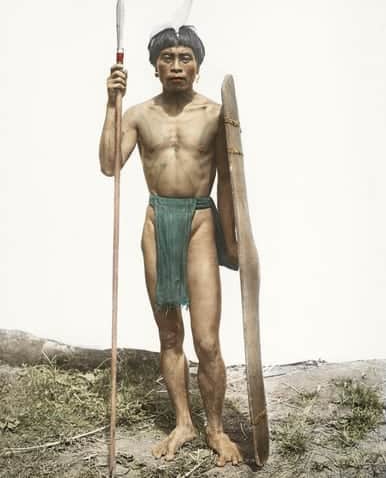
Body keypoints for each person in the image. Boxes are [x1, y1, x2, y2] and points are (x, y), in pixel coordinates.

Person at [99, 25, 243, 467]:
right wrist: (111, 104)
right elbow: (109, 165)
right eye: (168, 58)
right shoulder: (139, 114)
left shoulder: (217, 115)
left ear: (198, 65)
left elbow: (232, 182)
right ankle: (184, 421)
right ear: (154, 65)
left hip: (200, 220)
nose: (176, 66)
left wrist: (236, 246)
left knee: (207, 339)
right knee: (169, 332)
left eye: (185, 57)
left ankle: (215, 429)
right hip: (157, 220)